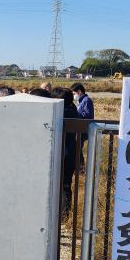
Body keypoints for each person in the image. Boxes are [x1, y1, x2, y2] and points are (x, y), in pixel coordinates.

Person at [53, 87, 78, 215]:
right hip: (71, 153)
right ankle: (65, 214)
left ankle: (58, 213)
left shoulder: (58, 113)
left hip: (60, 153)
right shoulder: (73, 110)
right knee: (66, 184)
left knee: (55, 184)